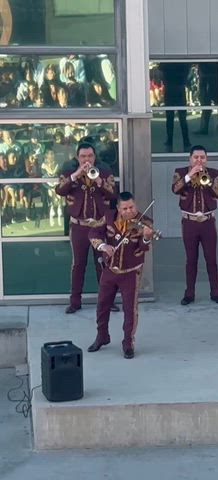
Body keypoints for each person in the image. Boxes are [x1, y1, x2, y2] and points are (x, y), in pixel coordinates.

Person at [86, 191, 155, 359]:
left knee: (130, 310)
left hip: (130, 272)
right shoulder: (109, 217)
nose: (129, 211)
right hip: (109, 270)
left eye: (132, 207)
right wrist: (103, 247)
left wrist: (146, 238)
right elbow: (94, 233)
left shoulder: (144, 221)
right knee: (102, 305)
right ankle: (102, 336)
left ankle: (128, 343)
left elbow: (144, 247)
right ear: (118, 208)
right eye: (125, 208)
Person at [55, 142, 117, 314]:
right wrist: (75, 175)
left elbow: (113, 194)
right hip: (79, 226)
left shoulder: (104, 171)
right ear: (77, 157)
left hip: (99, 227)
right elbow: (59, 190)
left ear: (94, 157)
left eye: (90, 156)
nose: (87, 160)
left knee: (103, 263)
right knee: (78, 265)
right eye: (83, 156)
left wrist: (98, 180)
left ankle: (107, 301)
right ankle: (75, 302)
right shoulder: (69, 172)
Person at [172, 145, 218, 305]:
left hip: (208, 222)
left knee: (211, 259)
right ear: (190, 158)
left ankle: (215, 292)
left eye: (202, 157)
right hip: (189, 222)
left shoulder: (214, 174)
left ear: (206, 159)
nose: (199, 160)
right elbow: (175, 189)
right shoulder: (180, 172)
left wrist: (207, 181)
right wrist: (189, 175)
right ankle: (189, 293)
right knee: (191, 259)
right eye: (196, 157)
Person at [159, 62, 191, 152]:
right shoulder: (182, 61)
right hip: (180, 88)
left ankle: (169, 141)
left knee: (170, 118)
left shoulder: (167, 61)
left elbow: (160, 71)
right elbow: (188, 68)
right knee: (182, 118)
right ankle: (186, 141)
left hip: (169, 88)